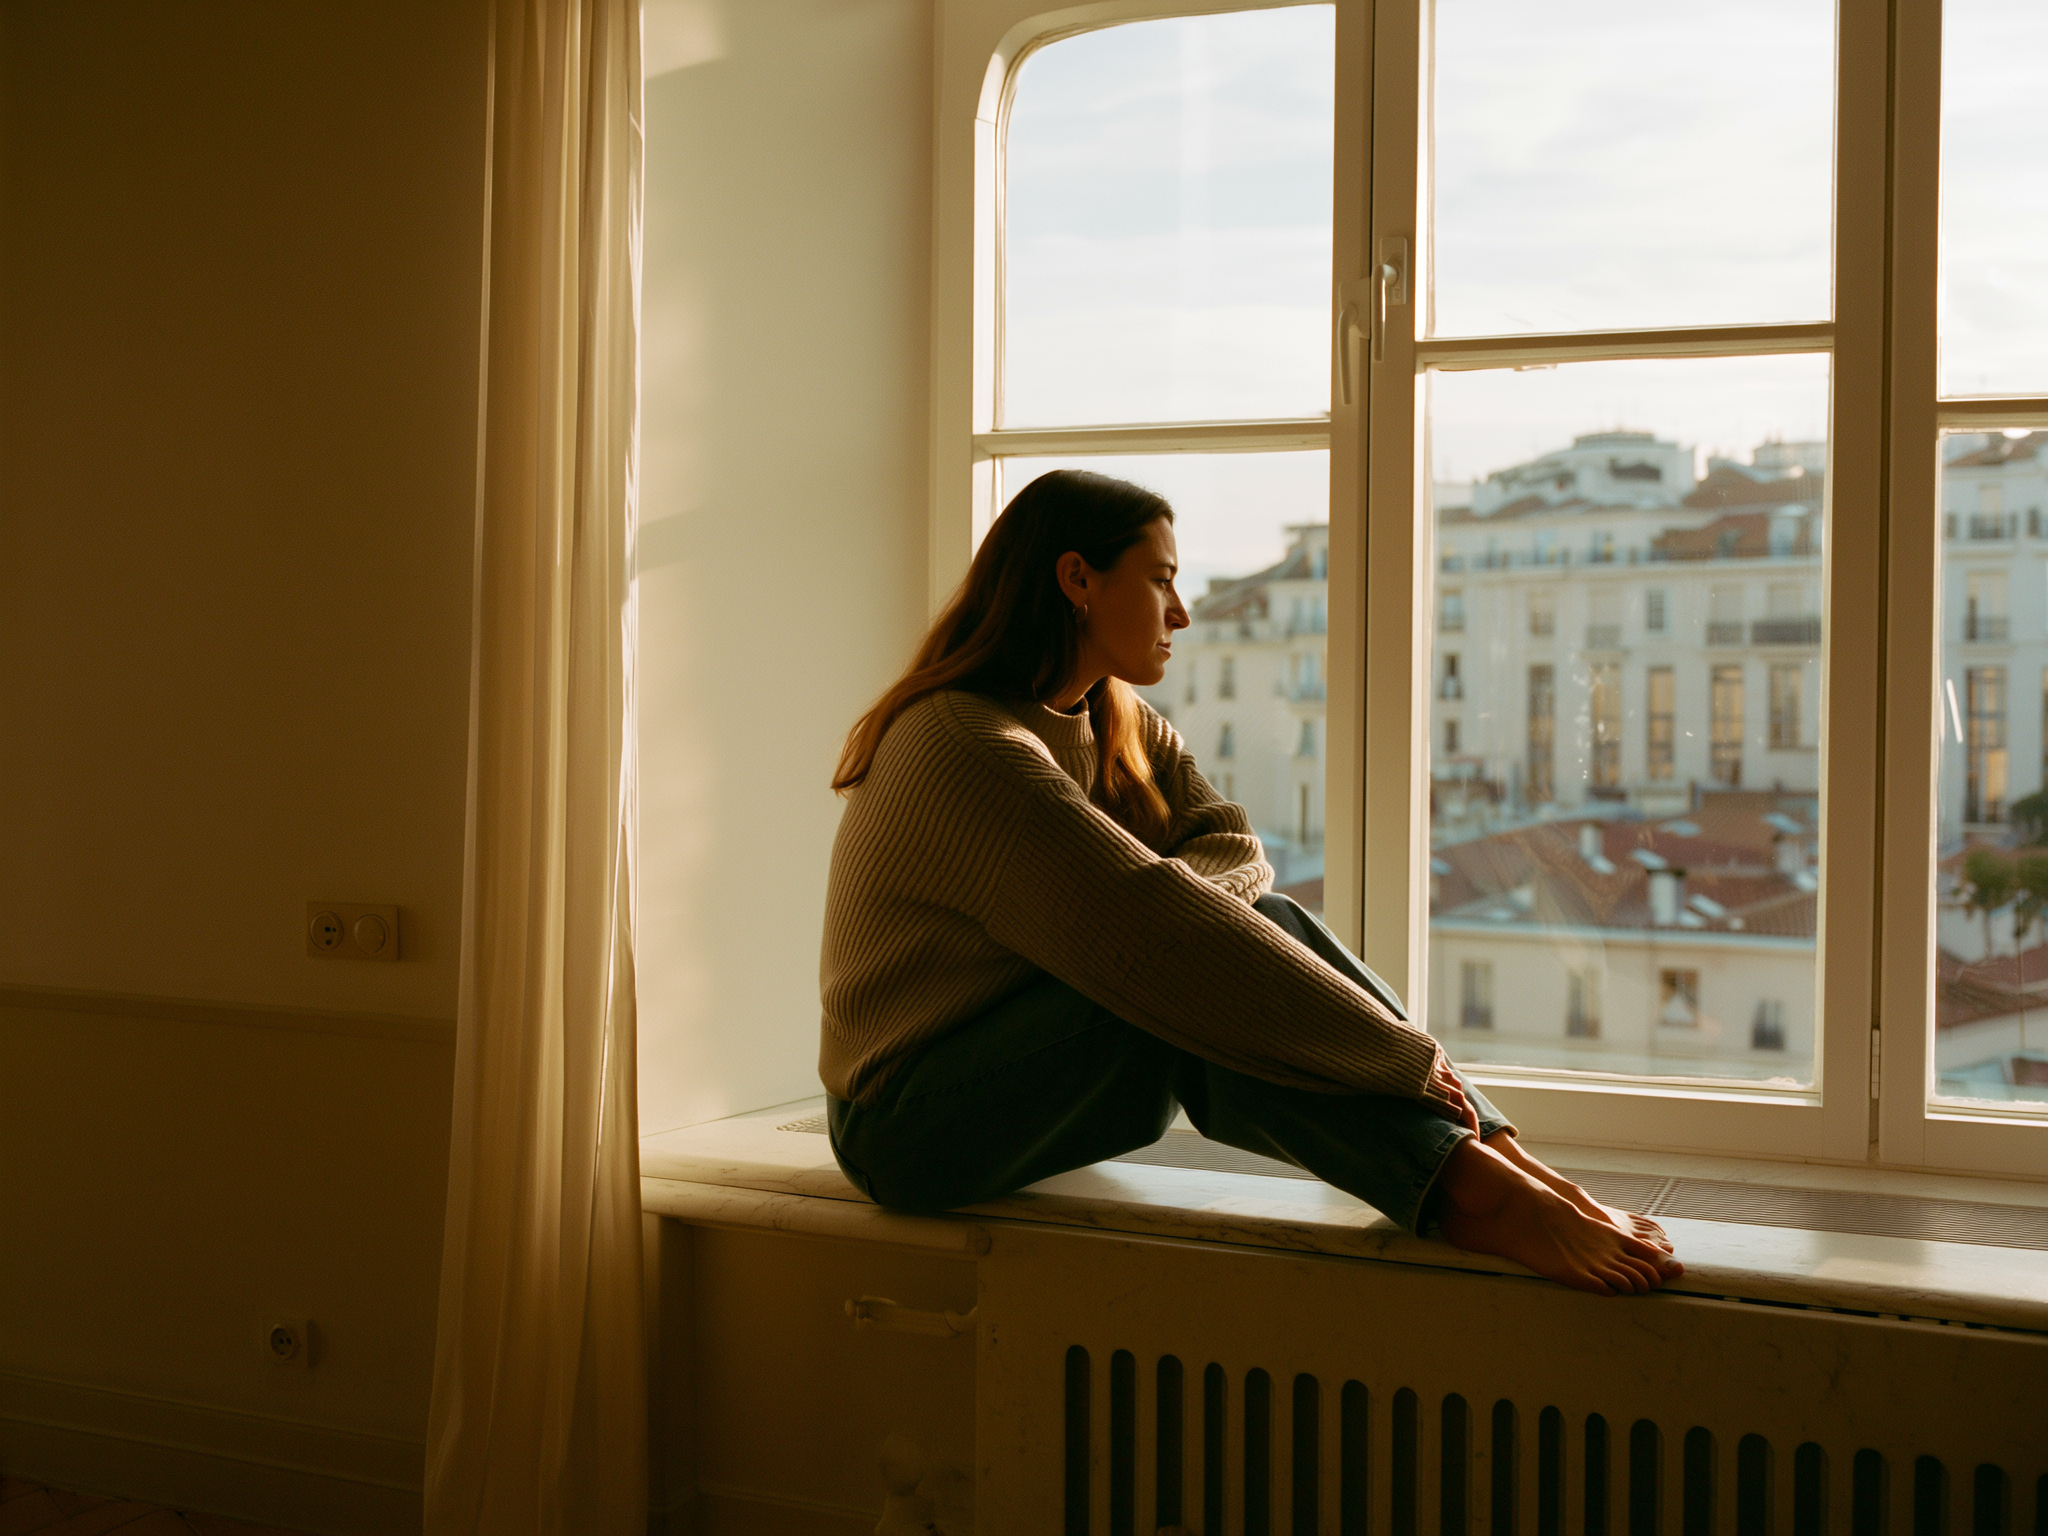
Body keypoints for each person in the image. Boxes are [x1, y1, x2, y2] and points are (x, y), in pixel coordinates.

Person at [819, 469, 1681, 1296]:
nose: (1183, 612)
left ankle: (1496, 1159)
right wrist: (1401, 1059)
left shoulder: (1113, 720)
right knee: (1184, 986)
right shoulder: (965, 746)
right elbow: (1157, 937)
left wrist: (1183, 897)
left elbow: (1233, 849)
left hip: (1014, 1071)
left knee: (1258, 921)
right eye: (1160, 580)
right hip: (904, 1124)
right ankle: (1475, 1189)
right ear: (1078, 578)